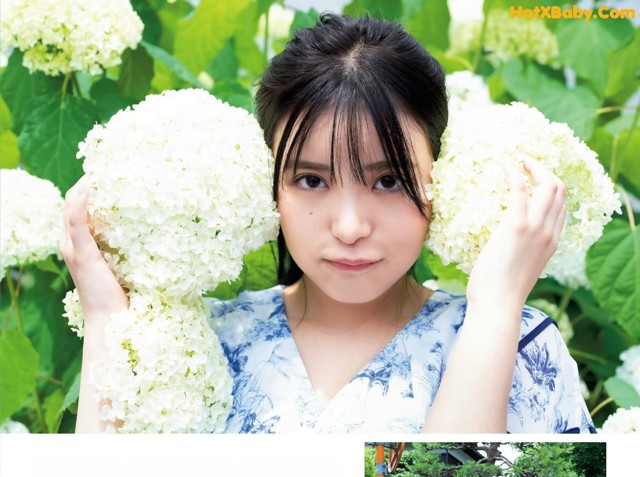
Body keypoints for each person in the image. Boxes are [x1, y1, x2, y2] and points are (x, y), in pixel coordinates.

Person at [61, 13, 595, 434]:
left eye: (388, 181)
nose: (348, 226)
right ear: (266, 181)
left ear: (444, 173)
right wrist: (109, 317)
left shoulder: (519, 345)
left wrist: (499, 304)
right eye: (312, 180)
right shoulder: (205, 338)